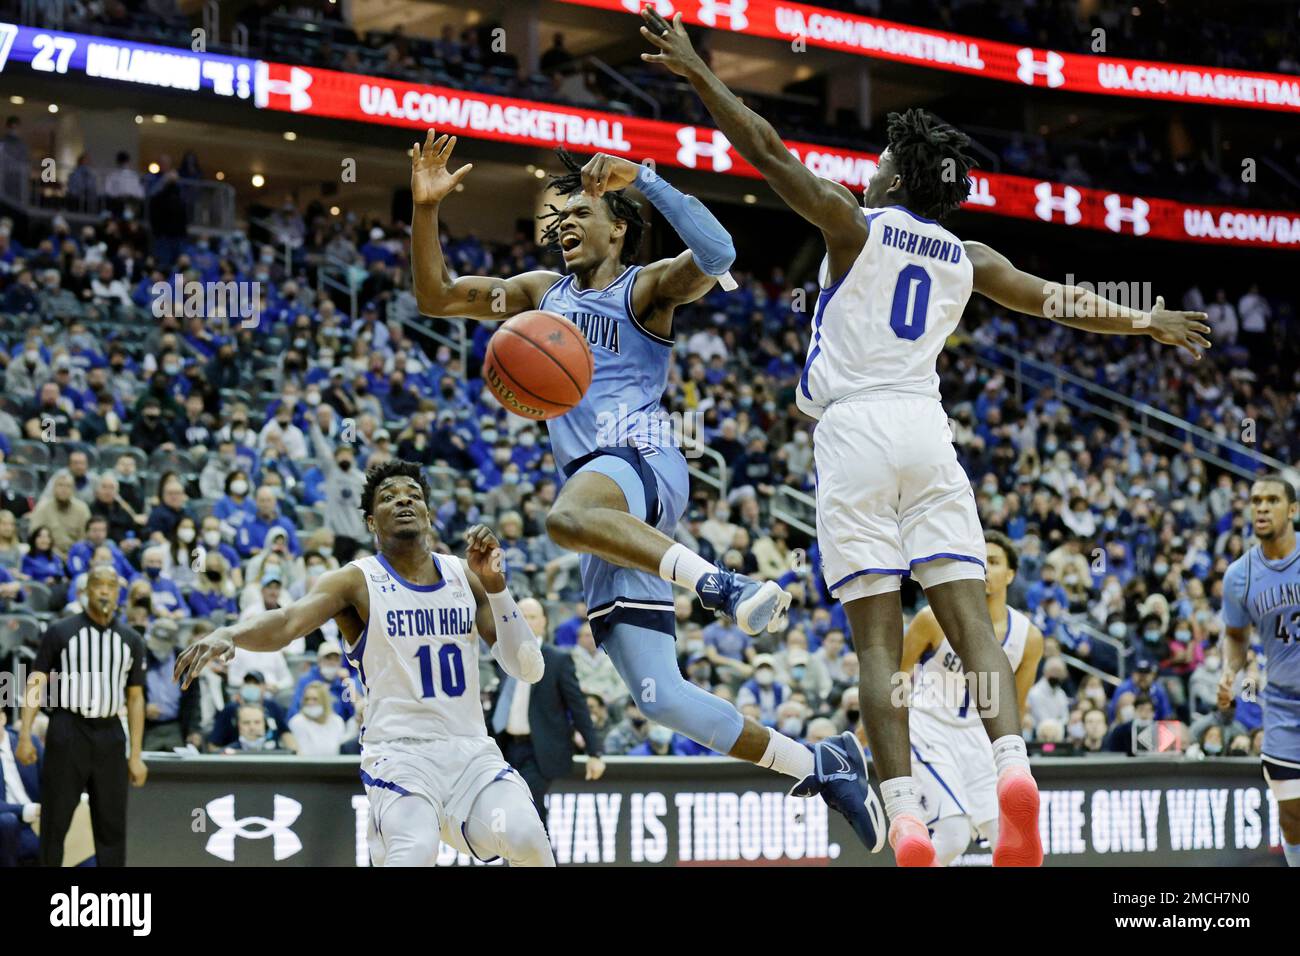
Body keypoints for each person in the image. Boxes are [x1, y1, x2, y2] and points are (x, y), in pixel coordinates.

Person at [635, 5, 1210, 867]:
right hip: (925, 429)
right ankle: (1012, 768)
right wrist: (1147, 320)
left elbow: (766, 149)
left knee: (875, 639)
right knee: (970, 618)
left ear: (895, 176)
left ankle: (904, 814)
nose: (864, 173)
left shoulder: (852, 225)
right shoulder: (969, 257)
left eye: (876, 164)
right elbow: (1056, 298)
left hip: (852, 431)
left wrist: (697, 72)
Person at [411, 132, 882, 850]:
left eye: (579, 212)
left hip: (645, 457)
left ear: (618, 226)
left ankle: (719, 584)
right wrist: (424, 211)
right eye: (555, 217)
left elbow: (719, 255)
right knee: (660, 698)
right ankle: (820, 762)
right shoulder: (541, 295)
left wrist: (648, 177)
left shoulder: (646, 287)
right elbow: (436, 296)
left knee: (564, 516)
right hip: (602, 506)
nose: (563, 223)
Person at [177, 460, 554, 866]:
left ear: (428, 514)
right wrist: (230, 633)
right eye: (389, 497)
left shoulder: (466, 575)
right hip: (400, 754)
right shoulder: (356, 580)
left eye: (414, 495)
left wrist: (497, 589)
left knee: (528, 838)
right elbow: (288, 622)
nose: (404, 500)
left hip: (471, 754)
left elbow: (528, 669)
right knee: (414, 850)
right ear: (372, 522)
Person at [899, 532, 1044, 865]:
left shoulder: (1029, 637)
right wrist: (880, 728)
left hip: (982, 739)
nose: (985, 569)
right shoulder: (933, 617)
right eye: (979, 561)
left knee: (1009, 841)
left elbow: (1015, 708)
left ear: (1010, 575)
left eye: (994, 562)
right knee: (953, 836)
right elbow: (896, 675)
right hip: (929, 727)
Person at [16, 564, 148, 866]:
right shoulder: (61, 631)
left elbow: (136, 698)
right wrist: (25, 735)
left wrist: (136, 755)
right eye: (97, 584)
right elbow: (36, 681)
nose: (104, 590)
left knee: (112, 826)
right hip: (68, 729)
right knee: (54, 822)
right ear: (86, 591)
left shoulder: (131, 640)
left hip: (111, 732)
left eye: (110, 585)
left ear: (118, 593)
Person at [1218, 475, 1300, 867]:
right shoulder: (1239, 575)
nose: (1262, 507)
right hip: (1283, 704)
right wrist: (1228, 671)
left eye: (1271, 500)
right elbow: (1235, 636)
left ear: (1293, 510)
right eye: (1255, 501)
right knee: (1291, 815)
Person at [488, 597, 606, 830]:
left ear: (544, 622)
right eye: (519, 616)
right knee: (512, 814)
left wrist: (594, 752)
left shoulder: (557, 659)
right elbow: (498, 705)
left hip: (540, 749)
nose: (525, 621)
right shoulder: (502, 657)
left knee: (528, 807)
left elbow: (578, 706)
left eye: (531, 616)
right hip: (506, 746)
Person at [0, 709, 42, 867]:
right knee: (6, 822)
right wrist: (27, 810)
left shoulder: (29, 742)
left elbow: (50, 780)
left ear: (3, 718)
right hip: (11, 821)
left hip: (40, 818)